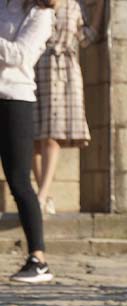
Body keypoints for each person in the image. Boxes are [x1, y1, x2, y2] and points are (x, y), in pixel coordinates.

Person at [32, 0, 103, 214]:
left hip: (65, 72)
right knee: (33, 139)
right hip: (36, 69)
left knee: (53, 135)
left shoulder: (74, 6)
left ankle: (41, 196)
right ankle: (45, 196)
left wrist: (100, 7)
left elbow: (85, 38)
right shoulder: (35, 4)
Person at [1, 0, 53, 283]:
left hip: (15, 100)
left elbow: (21, 55)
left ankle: (38, 259)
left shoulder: (40, 14)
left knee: (19, 181)